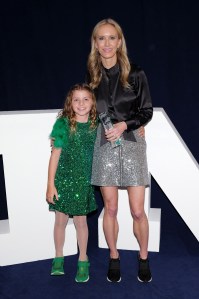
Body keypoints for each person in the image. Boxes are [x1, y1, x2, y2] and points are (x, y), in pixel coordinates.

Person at [86, 18, 153, 283]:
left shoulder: (136, 73)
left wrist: (127, 123)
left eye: (111, 37)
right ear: (95, 43)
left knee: (137, 210)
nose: (106, 43)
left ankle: (144, 257)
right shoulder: (91, 78)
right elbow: (86, 112)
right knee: (110, 209)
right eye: (101, 38)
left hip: (132, 142)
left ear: (119, 41)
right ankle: (114, 256)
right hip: (104, 145)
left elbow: (145, 110)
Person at [46, 83, 97, 282]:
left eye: (86, 99)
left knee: (81, 222)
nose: (81, 103)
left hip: (84, 183)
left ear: (92, 102)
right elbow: (55, 155)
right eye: (76, 99)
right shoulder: (63, 124)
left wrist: (139, 128)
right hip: (63, 181)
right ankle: (58, 256)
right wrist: (51, 184)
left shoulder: (97, 125)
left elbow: (115, 139)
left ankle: (83, 259)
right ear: (70, 102)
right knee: (60, 221)